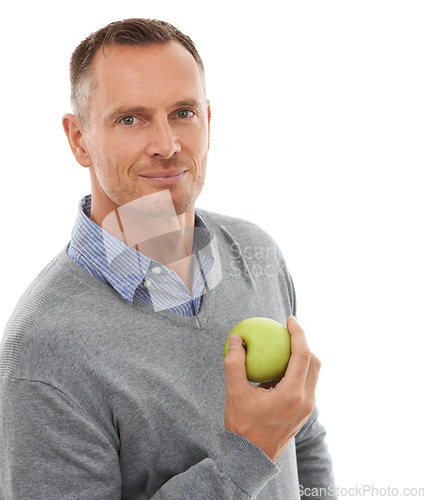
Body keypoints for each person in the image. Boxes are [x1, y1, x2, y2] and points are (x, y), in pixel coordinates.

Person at [0, 18, 336, 499]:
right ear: (78, 140)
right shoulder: (43, 351)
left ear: (208, 119)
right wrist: (246, 455)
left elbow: (302, 439)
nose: (166, 145)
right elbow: (266, 445)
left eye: (183, 112)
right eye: (130, 119)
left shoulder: (255, 251)